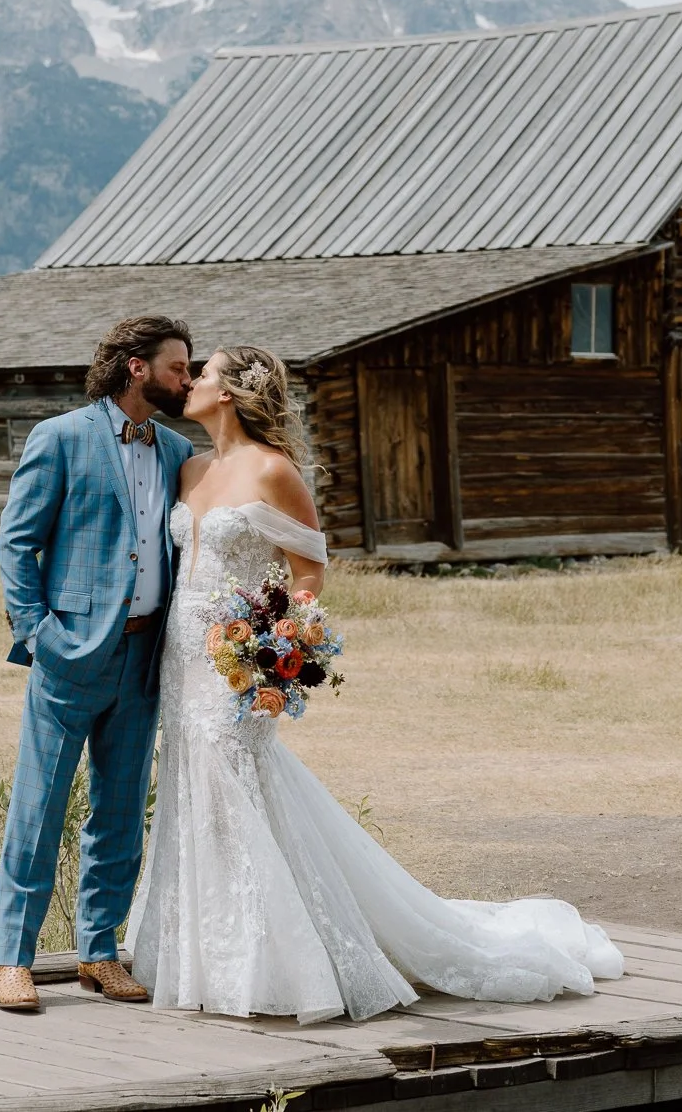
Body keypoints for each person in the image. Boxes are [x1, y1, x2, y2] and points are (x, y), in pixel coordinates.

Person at [127, 346, 625, 1023]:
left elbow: (309, 573)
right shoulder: (190, 467)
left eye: (204, 373)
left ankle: (278, 960)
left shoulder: (273, 472)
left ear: (235, 392)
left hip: (234, 661)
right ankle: (209, 957)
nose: (191, 383)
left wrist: (273, 646)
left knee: (237, 786)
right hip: (179, 660)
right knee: (195, 792)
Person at [0, 315, 194, 1013]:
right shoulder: (61, 437)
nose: (186, 381)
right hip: (70, 653)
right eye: (177, 368)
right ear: (137, 367)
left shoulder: (174, 450)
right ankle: (10, 957)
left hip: (144, 657)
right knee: (40, 806)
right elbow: (16, 543)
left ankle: (99, 952)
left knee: (121, 812)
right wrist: (39, 633)